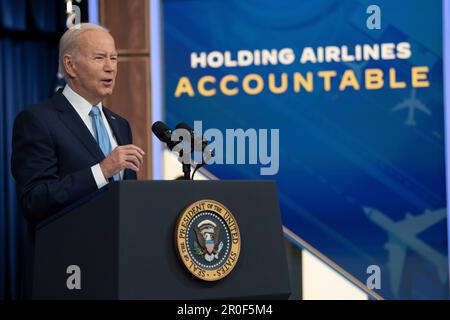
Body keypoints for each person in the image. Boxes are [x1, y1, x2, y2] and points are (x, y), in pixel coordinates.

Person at [11, 23, 145, 223]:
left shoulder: (121, 124)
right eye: (99, 58)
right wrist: (102, 171)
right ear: (70, 65)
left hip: (121, 250)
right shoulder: (37, 120)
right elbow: (34, 200)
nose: (110, 67)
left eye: (113, 58)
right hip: (70, 250)